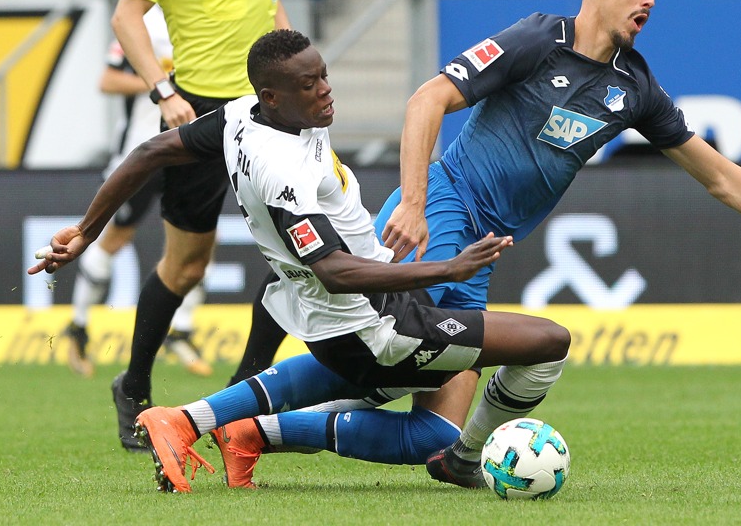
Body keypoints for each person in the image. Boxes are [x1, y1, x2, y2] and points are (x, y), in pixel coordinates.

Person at [371, 0, 741, 482]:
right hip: (446, 210)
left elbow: (718, 176)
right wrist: (414, 202)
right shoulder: (537, 38)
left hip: (484, 252)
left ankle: (451, 459)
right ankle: (269, 405)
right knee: (386, 357)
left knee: (430, 428)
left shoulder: (635, 86)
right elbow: (428, 99)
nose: (649, 1)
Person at [28, 29, 572, 494]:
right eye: (308, 85)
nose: (324, 91)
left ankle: (197, 422)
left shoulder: (245, 116)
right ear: (271, 96)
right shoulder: (279, 171)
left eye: (324, 76)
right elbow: (334, 268)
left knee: (415, 367)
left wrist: (84, 230)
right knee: (544, 345)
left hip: (340, 317)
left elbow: (151, 151)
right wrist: (446, 270)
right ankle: (463, 458)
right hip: (375, 324)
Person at [107, 0, 290, 452]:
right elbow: (126, 16)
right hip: (199, 113)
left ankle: (241, 393)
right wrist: (163, 92)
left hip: (268, 109)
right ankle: (134, 385)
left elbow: (271, 10)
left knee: (298, 255)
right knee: (186, 266)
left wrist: (301, 70)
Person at [65, 5, 211, 379]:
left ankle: (182, 331)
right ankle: (78, 327)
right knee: (112, 240)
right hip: (141, 153)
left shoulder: (204, 15)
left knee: (198, 244)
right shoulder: (142, 22)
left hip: (185, 149)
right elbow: (108, 80)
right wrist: (162, 87)